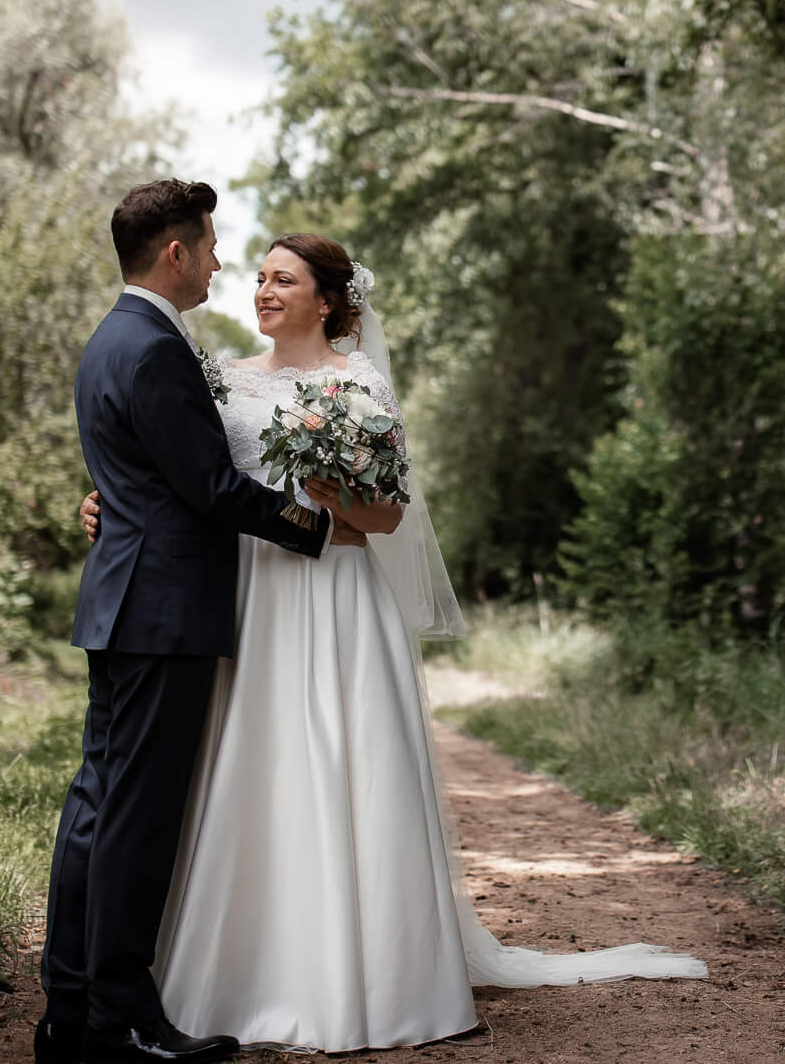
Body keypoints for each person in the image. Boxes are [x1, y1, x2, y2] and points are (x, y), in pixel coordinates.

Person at [77, 232, 707, 1054]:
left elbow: (387, 518)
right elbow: (180, 473)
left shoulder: (359, 385)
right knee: (245, 770)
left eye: (282, 280)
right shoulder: (223, 382)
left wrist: (329, 498)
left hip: (336, 600)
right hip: (244, 599)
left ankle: (352, 975)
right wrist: (106, 505)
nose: (262, 291)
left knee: (341, 768)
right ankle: (223, 972)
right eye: (259, 277)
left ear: (329, 299)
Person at [39, 182, 332, 1064]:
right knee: (133, 817)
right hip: (161, 611)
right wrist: (315, 525)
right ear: (175, 253)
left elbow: (140, 475)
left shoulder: (110, 340)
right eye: (209, 246)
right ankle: (121, 1021)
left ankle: (71, 1013)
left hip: (126, 604)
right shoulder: (156, 349)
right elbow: (208, 485)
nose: (217, 263)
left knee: (97, 808)